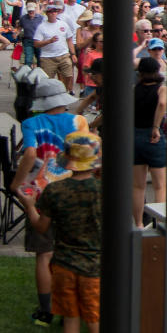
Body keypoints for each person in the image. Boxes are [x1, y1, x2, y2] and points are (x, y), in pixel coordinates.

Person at [10, 78, 88, 327]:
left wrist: (17, 183)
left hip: (42, 191)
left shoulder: (31, 122)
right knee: (73, 250)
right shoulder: (79, 121)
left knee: (44, 253)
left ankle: (46, 311)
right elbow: (86, 157)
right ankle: (74, 307)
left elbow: (30, 153)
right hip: (74, 189)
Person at [18, 131, 103, 333]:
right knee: (94, 320)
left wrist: (29, 206)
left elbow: (41, 227)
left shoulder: (55, 190)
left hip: (63, 265)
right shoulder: (105, 190)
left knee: (70, 318)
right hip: (95, 266)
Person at [132, 57, 167, 227]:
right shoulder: (161, 89)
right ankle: (158, 223)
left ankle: (138, 223)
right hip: (153, 136)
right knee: (159, 185)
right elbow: (162, 104)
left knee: (138, 186)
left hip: (135, 134)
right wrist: (155, 126)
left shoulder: (134, 89)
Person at [34, 0, 77, 93]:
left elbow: (69, 39)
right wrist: (49, 41)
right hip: (47, 57)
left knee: (68, 75)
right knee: (47, 80)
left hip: (63, 55)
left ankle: (64, 92)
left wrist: (73, 54)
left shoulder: (63, 24)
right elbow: (36, 43)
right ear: (47, 13)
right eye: (50, 12)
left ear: (57, 12)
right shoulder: (42, 27)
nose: (53, 13)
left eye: (55, 11)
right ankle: (50, 96)